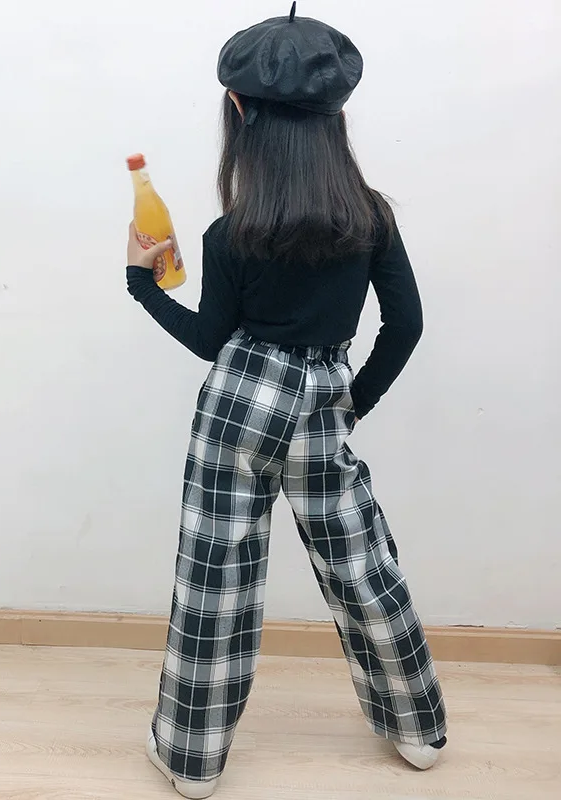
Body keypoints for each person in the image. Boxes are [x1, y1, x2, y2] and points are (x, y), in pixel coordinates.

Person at [125, 5, 447, 798]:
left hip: (240, 400)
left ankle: (192, 760)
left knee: (216, 573)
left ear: (240, 110)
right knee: (362, 562)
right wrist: (349, 404)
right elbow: (405, 326)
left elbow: (210, 340)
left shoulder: (231, 232)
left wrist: (141, 284)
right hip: (324, 393)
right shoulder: (369, 218)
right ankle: (418, 730)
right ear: (335, 117)